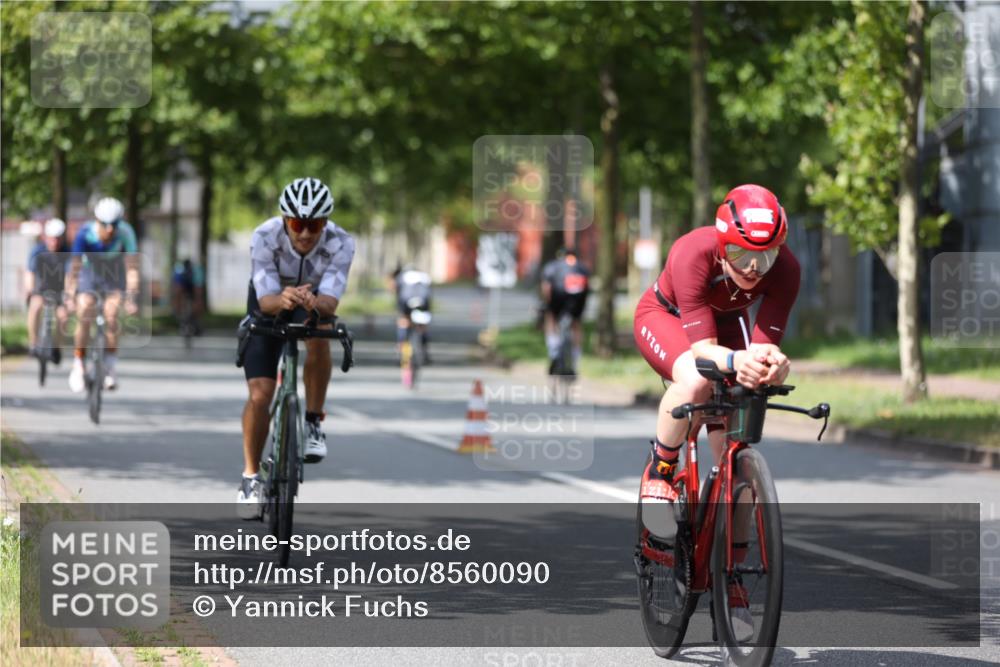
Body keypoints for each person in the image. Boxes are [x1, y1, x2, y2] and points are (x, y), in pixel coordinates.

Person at [632, 183, 800, 638]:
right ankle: (661, 472)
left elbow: (763, 348)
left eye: (765, 257)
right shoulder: (692, 252)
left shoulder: (786, 269)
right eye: (743, 253)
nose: (753, 267)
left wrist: (773, 365)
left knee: (737, 445)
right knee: (699, 379)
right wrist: (735, 360)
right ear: (722, 241)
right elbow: (704, 350)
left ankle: (733, 583)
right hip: (666, 318)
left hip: (727, 324)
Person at [237, 177, 355, 518]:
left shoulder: (341, 242)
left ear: (326, 223)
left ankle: (313, 420)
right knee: (260, 395)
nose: (305, 234)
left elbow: (330, 301)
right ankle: (249, 478)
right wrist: (283, 299)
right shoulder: (263, 236)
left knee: (320, 331)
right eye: (297, 224)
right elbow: (266, 297)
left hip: (315, 300)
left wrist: (313, 302)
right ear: (285, 220)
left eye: (314, 225)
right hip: (268, 300)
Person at [65, 197, 140, 393]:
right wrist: (70, 295)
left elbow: (132, 268)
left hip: (114, 275)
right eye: (105, 224)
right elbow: (74, 268)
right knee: (85, 310)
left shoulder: (126, 232)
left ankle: (110, 365)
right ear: (96, 220)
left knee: (112, 313)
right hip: (90, 274)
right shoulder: (84, 234)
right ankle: (78, 362)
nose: (109, 229)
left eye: (114, 224)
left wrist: (132, 297)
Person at [25, 218, 70, 362]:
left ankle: (56, 348)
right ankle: (33, 343)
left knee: (63, 317)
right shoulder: (37, 250)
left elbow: (70, 276)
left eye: (57, 239)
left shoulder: (68, 252)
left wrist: (69, 296)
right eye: (51, 238)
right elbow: (30, 272)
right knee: (35, 307)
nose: (54, 242)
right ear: (46, 237)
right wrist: (30, 290)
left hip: (60, 290)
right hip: (41, 288)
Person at [540, 246, 590, 375]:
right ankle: (575, 357)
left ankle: (554, 352)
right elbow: (587, 288)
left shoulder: (553, 266)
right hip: (578, 299)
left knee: (551, 318)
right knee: (576, 324)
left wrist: (547, 304)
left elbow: (546, 288)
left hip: (558, 297)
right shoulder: (583, 268)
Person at [389, 264, 433, 365]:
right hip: (423, 301)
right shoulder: (424, 276)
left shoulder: (402, 276)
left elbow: (397, 292)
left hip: (406, 300)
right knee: (423, 326)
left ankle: (400, 353)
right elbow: (429, 294)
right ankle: (425, 352)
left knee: (403, 322)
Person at [171, 258, 205, 335]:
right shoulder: (195, 271)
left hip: (188, 287)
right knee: (197, 299)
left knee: (180, 296)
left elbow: (176, 290)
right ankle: (192, 319)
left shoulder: (180, 272)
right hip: (188, 287)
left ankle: (189, 319)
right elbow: (198, 290)